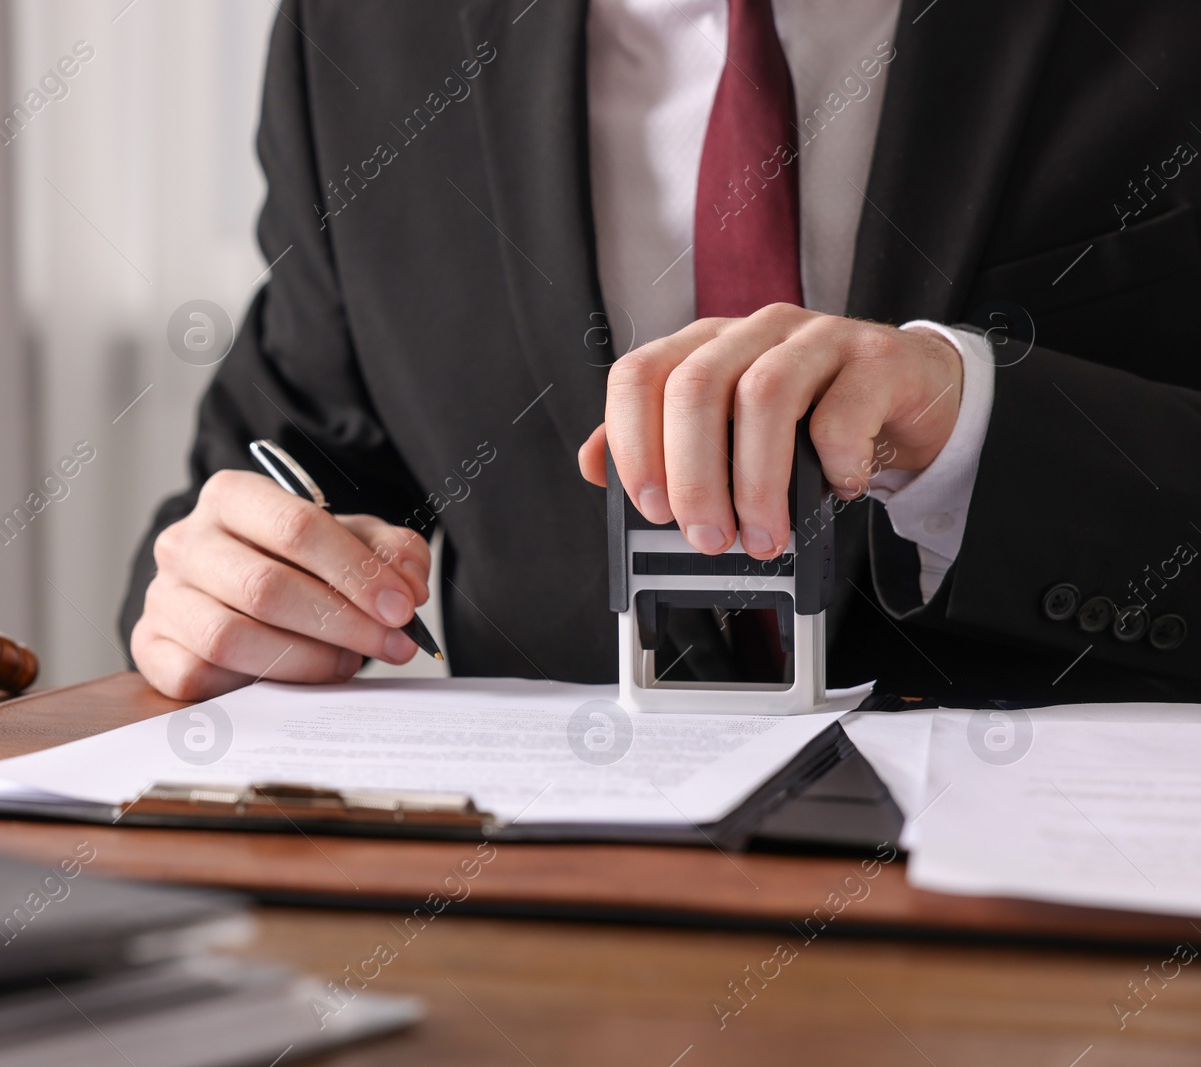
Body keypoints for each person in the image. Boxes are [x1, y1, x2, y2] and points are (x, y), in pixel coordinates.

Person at [121, 0, 1201, 706]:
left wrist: (970, 425)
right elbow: (273, 480)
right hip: (548, 940)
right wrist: (226, 594)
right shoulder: (362, 37)